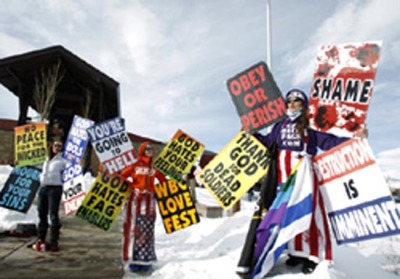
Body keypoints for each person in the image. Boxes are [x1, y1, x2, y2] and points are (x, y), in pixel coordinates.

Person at [250, 89, 366, 275]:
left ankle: (312, 255)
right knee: (287, 216)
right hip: (284, 180)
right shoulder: (279, 126)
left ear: (303, 106)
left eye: (296, 102)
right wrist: (251, 133)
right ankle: (295, 253)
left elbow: (329, 142)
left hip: (306, 179)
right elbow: (266, 142)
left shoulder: (310, 126)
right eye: (289, 102)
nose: (292, 105)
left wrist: (353, 138)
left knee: (309, 214)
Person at [120, 141, 167, 273]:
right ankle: (133, 259)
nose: (149, 151)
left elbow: (164, 181)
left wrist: (175, 184)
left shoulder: (154, 168)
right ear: (141, 151)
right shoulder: (135, 166)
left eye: (151, 149)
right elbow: (122, 176)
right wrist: (131, 187)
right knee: (133, 228)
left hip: (149, 202)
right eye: (147, 149)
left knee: (147, 230)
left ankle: (145, 260)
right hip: (134, 201)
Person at [31, 138, 69, 252]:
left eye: (59, 146)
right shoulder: (45, 159)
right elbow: (34, 165)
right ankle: (40, 238)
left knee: (53, 214)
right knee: (41, 213)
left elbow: (72, 167)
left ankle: (54, 242)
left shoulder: (62, 160)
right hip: (43, 188)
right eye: (56, 145)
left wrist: (76, 163)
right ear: (51, 146)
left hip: (55, 189)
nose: (57, 147)